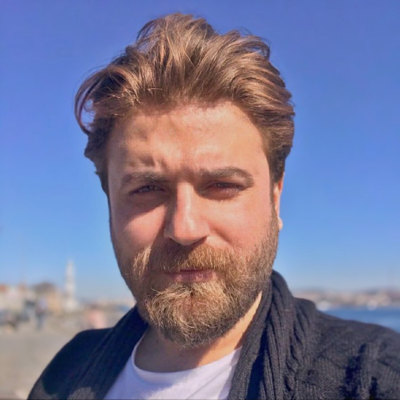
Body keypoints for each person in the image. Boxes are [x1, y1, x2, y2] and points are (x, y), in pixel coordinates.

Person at [29, 13, 400, 400]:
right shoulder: (66, 371)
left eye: (222, 186)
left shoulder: (373, 376)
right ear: (110, 203)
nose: (184, 228)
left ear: (275, 197)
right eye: (148, 189)